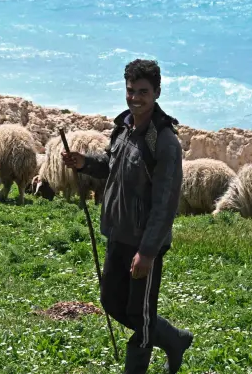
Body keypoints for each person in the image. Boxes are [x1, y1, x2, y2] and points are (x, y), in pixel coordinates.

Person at [62, 59, 194, 373]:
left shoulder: (163, 142)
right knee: (111, 301)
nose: (135, 97)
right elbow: (111, 165)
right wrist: (85, 164)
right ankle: (174, 339)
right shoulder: (123, 127)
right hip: (117, 233)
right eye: (130, 90)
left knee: (141, 314)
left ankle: (144, 361)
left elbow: (165, 204)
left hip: (143, 242)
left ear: (157, 92)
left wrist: (147, 252)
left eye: (143, 91)